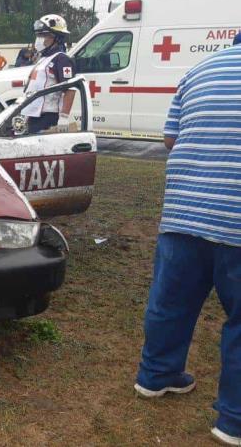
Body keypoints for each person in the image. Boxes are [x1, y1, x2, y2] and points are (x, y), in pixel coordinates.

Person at [132, 43, 241, 447]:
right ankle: (233, 421)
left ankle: (155, 377)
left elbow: (169, 138)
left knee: (170, 301)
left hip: (184, 211)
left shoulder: (199, 69)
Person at [22, 14, 75, 134]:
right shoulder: (44, 58)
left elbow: (70, 89)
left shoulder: (62, 59)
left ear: (56, 37)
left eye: (43, 35)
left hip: (48, 117)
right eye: (38, 35)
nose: (38, 39)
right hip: (34, 115)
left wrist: (64, 117)